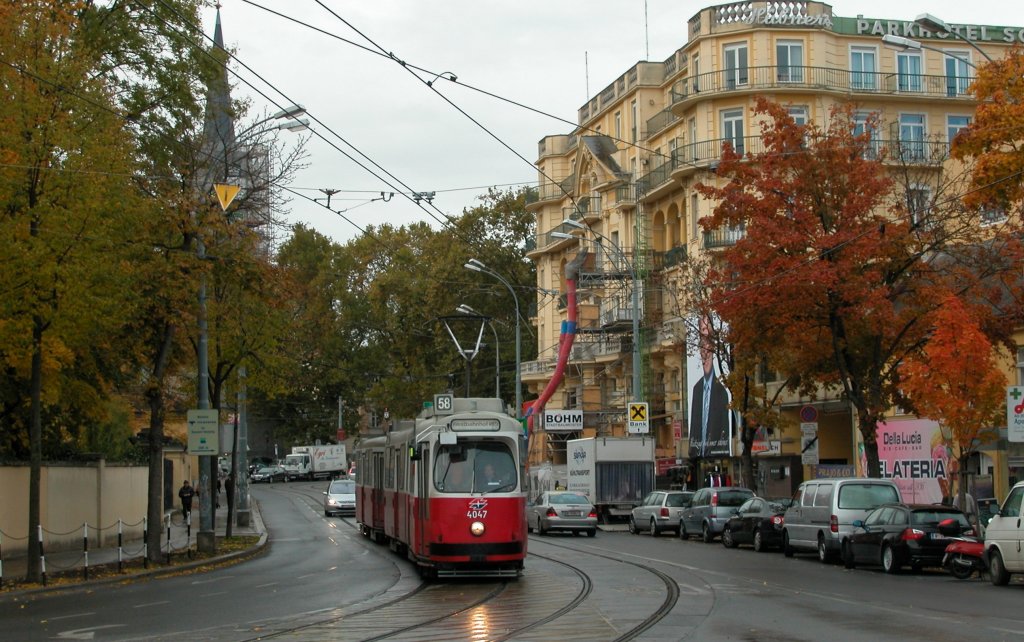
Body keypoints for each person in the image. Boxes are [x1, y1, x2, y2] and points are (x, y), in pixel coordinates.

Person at [689, 315, 730, 459]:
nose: (705, 351)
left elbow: (725, 431)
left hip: (718, 452)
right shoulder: (696, 389)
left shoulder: (723, 391)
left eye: (709, 341)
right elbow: (694, 430)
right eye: (702, 339)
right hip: (699, 453)